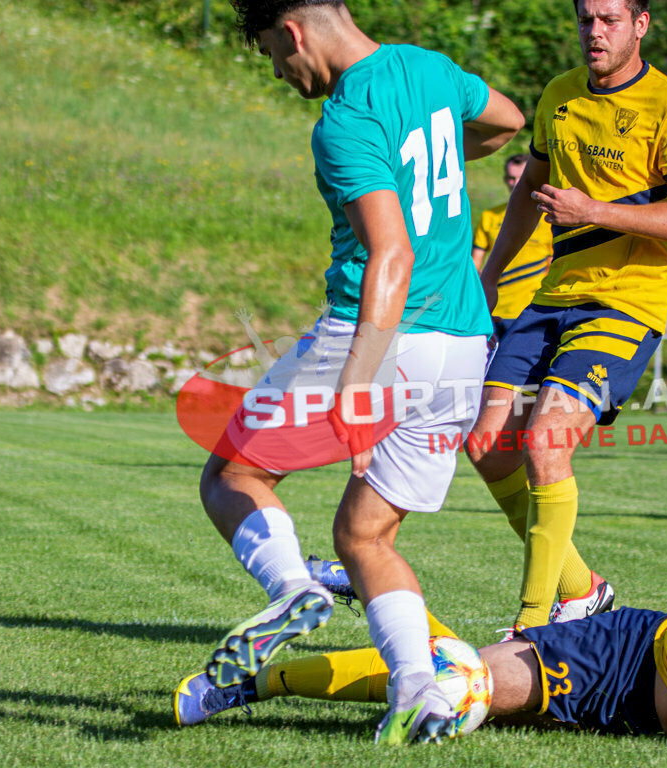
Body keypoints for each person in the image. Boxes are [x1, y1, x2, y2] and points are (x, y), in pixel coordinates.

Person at [197, 0, 524, 744]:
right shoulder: (431, 69)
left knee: (232, 476)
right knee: (365, 536)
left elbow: (392, 254)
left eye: (272, 55)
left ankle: (291, 588)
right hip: (463, 347)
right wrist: (432, 152)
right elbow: (506, 122)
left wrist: (357, 382)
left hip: (379, 336)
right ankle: (418, 695)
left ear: (292, 32)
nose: (280, 73)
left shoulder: (343, 121)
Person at [174, 528, 667, 762]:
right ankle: (255, 682)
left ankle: (371, 586)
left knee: (456, 680)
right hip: (626, 656)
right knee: (461, 692)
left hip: (639, 720)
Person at [464, 0, 667, 636]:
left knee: (546, 441)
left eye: (609, 20)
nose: (594, 32)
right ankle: (583, 589)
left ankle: (535, 623)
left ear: (641, 24)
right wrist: (489, 276)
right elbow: (530, 191)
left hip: (625, 303)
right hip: (551, 297)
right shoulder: (559, 94)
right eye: (585, 20)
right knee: (487, 447)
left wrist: (594, 211)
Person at [472, 154, 554, 339]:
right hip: (493, 309)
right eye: (510, 178)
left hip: (528, 312)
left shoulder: (548, 218)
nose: (515, 183)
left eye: (520, 177)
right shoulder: (490, 216)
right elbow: (474, 264)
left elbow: (552, 266)